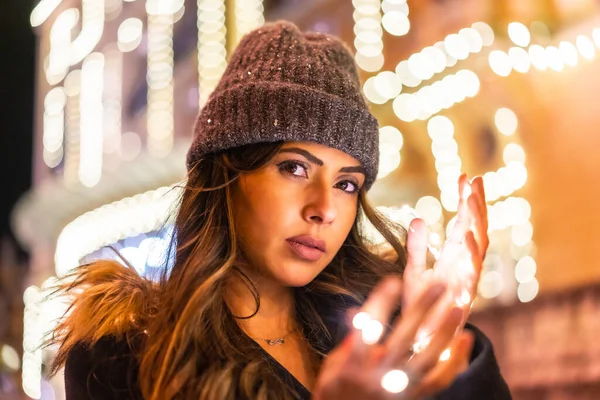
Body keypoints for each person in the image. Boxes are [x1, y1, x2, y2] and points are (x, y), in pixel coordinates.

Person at [47, 21, 512, 399]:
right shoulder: (127, 350)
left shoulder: (374, 335)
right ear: (227, 174)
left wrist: (441, 339)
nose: (324, 208)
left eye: (347, 183)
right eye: (293, 167)